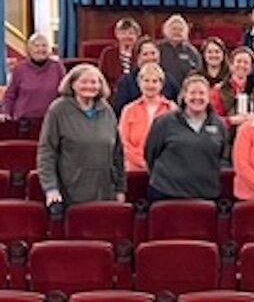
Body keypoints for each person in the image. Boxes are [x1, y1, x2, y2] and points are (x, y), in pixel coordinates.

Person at [37, 64, 124, 206]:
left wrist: (120, 188)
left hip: (106, 191)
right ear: (72, 84)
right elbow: (47, 151)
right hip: (71, 192)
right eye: (84, 82)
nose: (89, 86)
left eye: (94, 82)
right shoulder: (58, 110)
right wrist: (51, 188)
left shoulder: (107, 110)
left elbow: (118, 153)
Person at [145, 75, 228, 201]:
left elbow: (222, 156)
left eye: (202, 93)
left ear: (209, 97)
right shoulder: (164, 123)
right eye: (192, 93)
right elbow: (150, 154)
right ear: (184, 95)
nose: (197, 97)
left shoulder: (219, 125)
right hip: (166, 194)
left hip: (206, 195)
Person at [119, 63, 177, 172]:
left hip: (165, 171)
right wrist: (142, 163)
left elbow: (176, 141)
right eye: (146, 80)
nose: (150, 85)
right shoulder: (129, 110)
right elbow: (123, 142)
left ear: (161, 84)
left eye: (155, 81)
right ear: (139, 83)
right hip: (134, 170)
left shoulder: (172, 109)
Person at [0, 33, 65, 122]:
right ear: (29, 50)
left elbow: (65, 93)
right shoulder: (20, 69)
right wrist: (5, 112)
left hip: (52, 121)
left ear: (49, 49)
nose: (40, 49)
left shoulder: (57, 67)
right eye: (36, 46)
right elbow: (10, 95)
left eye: (44, 45)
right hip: (24, 121)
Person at [114, 37, 180, 116]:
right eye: (145, 54)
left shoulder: (169, 80)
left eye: (153, 53)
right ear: (138, 58)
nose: (150, 58)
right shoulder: (126, 82)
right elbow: (119, 110)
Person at [211, 47, 254, 128]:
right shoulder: (219, 89)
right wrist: (231, 120)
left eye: (246, 62)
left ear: (251, 68)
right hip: (226, 135)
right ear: (231, 65)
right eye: (238, 61)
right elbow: (213, 120)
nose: (242, 65)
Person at [157, 14, 203, 86]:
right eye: (174, 29)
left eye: (180, 29)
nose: (177, 32)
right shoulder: (158, 49)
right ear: (166, 30)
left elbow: (198, 72)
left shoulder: (192, 52)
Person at [99, 18, 140, 96]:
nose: (127, 36)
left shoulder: (140, 53)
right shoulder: (108, 53)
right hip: (113, 95)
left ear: (137, 36)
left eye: (131, 33)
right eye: (123, 33)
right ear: (117, 35)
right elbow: (101, 78)